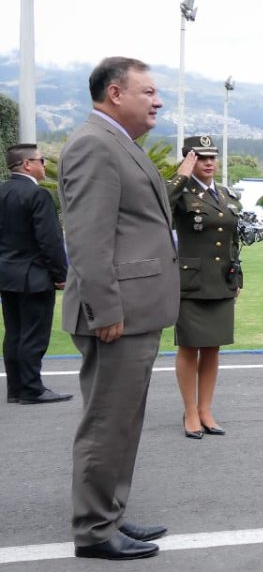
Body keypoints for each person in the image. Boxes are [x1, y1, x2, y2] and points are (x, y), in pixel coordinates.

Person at [60, 57, 178, 560]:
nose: (158, 101)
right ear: (115, 93)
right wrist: (105, 309)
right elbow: (87, 238)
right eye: (148, 92)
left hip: (135, 311)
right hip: (116, 316)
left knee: (122, 422)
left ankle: (108, 511)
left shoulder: (117, 142)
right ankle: (94, 530)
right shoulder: (95, 144)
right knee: (108, 423)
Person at [167, 135, 244, 440]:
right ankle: (190, 411)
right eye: (201, 157)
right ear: (189, 160)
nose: (209, 163)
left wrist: (237, 277)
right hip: (191, 282)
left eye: (213, 157)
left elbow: (232, 240)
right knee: (189, 347)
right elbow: (158, 206)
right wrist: (181, 176)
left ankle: (205, 410)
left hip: (221, 280)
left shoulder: (224, 194)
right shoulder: (181, 193)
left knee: (213, 347)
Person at [0, 143, 71, 405]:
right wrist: (61, 274)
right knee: (34, 335)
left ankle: (16, 388)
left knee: (14, 333)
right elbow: (49, 240)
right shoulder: (38, 195)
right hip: (34, 276)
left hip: (6, 275)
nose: (44, 166)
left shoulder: (2, 191)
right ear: (27, 164)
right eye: (41, 161)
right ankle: (32, 388)